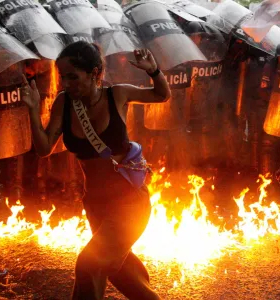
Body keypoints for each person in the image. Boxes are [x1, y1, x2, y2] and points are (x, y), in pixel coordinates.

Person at [20, 41, 170, 300]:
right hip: (96, 204)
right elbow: (44, 148)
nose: (66, 84)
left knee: (89, 263)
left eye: (73, 77)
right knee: (118, 270)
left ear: (95, 73)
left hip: (130, 202)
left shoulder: (118, 95)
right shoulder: (64, 102)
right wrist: (33, 110)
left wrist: (154, 71)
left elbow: (161, 95)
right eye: (63, 77)